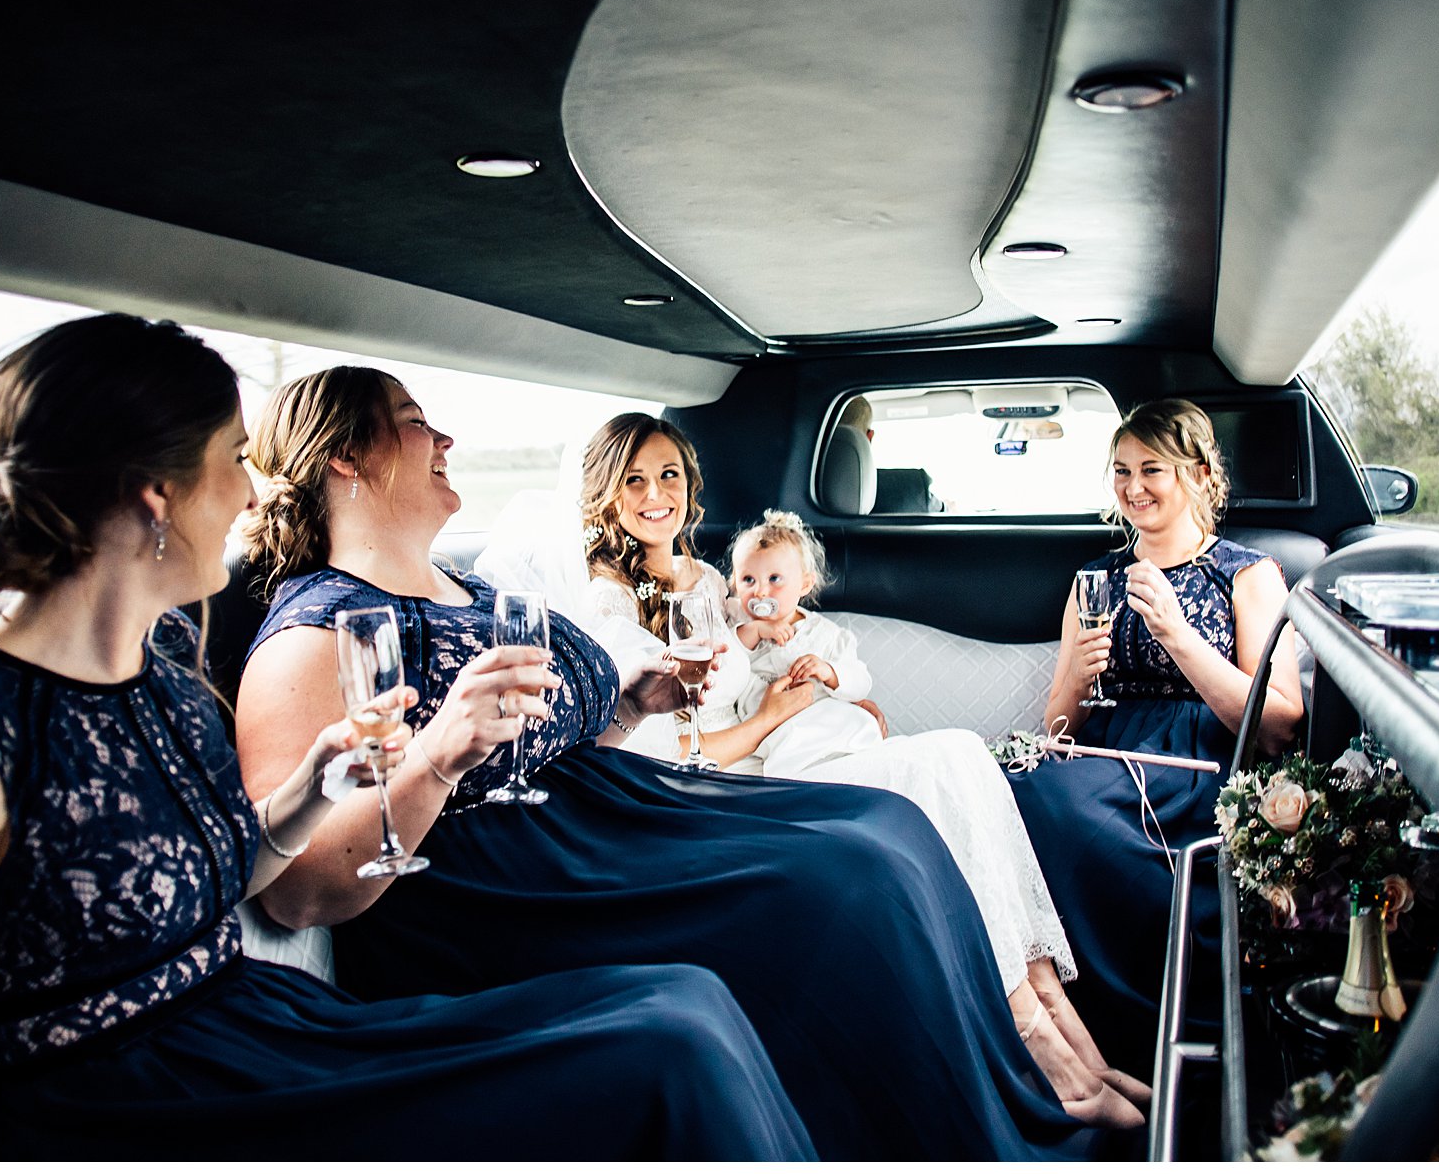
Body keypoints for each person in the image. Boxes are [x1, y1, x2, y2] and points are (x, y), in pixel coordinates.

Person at [0, 316, 814, 1161]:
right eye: (229, 463)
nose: (251, 494)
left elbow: (233, 869)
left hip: (259, 1025)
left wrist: (317, 784)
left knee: (680, 1003)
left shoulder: (156, 672)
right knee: (663, 1046)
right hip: (146, 1108)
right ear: (156, 497)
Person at [235, 369, 1108, 1159]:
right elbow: (296, 888)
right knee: (849, 881)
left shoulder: (473, 594)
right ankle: (962, 1134)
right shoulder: (319, 630)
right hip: (510, 881)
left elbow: (544, 735)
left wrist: (626, 705)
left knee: (891, 828)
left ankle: (1010, 1091)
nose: (446, 439)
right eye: (415, 420)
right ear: (347, 458)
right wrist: (433, 756)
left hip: (611, 808)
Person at [579, 434, 1146, 1128]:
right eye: (634, 481)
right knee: (938, 765)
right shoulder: (607, 608)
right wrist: (775, 715)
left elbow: (793, 646)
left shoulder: (712, 583)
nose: (656, 495)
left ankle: (1065, 1026)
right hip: (739, 784)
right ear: (608, 493)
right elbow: (671, 753)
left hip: (798, 750)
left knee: (964, 756)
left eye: (669, 475)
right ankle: (1039, 1048)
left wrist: (844, 699)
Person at [1007, 397, 1304, 1079]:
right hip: (1099, 755)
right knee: (1023, 792)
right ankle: (1060, 1034)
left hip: (1194, 764)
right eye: (1120, 471)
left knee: (1062, 806)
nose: (1133, 487)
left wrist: (1176, 632)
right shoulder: (1094, 578)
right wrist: (1078, 678)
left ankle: (1139, 1033)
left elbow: (1278, 721)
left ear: (1199, 473)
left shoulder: (1248, 573)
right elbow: (1059, 723)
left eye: (1152, 469)